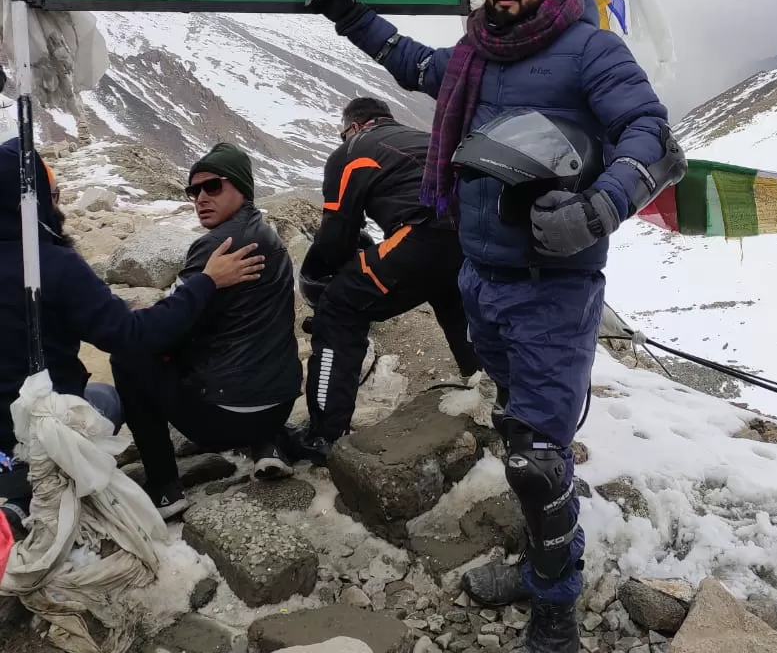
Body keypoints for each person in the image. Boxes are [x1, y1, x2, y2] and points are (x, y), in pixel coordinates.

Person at [306, 0, 684, 653]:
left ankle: (555, 626)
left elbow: (654, 138)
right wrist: (351, 18)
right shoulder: (478, 56)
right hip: (482, 277)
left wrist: (597, 209)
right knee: (517, 432)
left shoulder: (589, 51)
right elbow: (413, 64)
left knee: (540, 459)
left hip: (553, 288)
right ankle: (546, 560)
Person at [0, 139, 264, 534]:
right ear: (33, 200)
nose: (60, 204)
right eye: (53, 194)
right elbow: (131, 337)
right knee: (109, 391)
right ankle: (34, 494)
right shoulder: (51, 267)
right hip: (34, 433)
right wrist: (207, 282)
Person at [111, 143, 302, 517]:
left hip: (226, 418)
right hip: (278, 405)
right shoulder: (268, 235)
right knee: (251, 337)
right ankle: (269, 444)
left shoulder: (216, 246)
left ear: (242, 189)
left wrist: (151, 317)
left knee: (128, 356)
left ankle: (165, 489)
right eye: (193, 190)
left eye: (213, 187)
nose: (200, 198)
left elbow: (166, 333)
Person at [292, 96, 479, 462]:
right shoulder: (421, 137)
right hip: (469, 241)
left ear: (355, 126)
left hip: (422, 236)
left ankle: (324, 436)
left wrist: (320, 275)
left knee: (339, 308)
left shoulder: (353, 150)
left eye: (342, 133)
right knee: (450, 301)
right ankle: (484, 387)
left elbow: (336, 234)